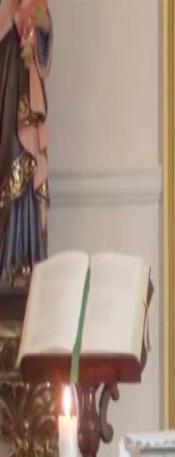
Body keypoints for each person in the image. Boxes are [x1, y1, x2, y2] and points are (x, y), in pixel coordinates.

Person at [0, 0, 52, 281]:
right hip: (5, 81)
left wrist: (39, 25)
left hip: (22, 86)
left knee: (24, 165)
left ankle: (21, 260)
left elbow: (44, 29)